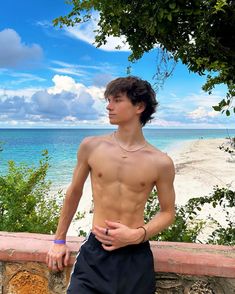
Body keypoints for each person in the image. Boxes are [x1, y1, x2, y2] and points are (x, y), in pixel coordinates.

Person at [46, 76, 176, 294]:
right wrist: (59, 240)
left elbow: (168, 212)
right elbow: (74, 193)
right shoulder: (91, 146)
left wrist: (138, 234)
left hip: (135, 255)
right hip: (94, 255)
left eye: (116, 100)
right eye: (108, 100)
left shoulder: (160, 162)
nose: (109, 106)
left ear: (139, 106)